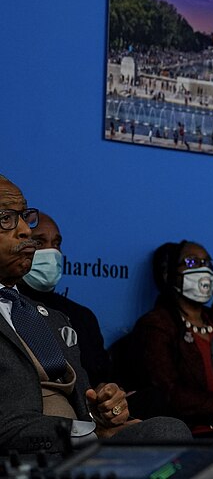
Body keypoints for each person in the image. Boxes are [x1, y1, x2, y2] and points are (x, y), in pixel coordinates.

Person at [0, 174, 190, 456]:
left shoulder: (54, 318)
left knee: (168, 431)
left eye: (25, 216)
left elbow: (84, 404)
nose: (25, 230)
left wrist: (101, 409)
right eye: (6, 218)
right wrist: (86, 434)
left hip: (80, 447)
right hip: (27, 456)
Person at [132, 240, 213, 435]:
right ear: (169, 274)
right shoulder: (157, 324)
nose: (203, 270)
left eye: (207, 263)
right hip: (191, 434)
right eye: (192, 262)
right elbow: (168, 393)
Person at [18, 211, 112, 387]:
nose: (51, 252)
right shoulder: (9, 309)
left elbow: (104, 379)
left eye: (56, 244)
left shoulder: (82, 317)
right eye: (39, 242)